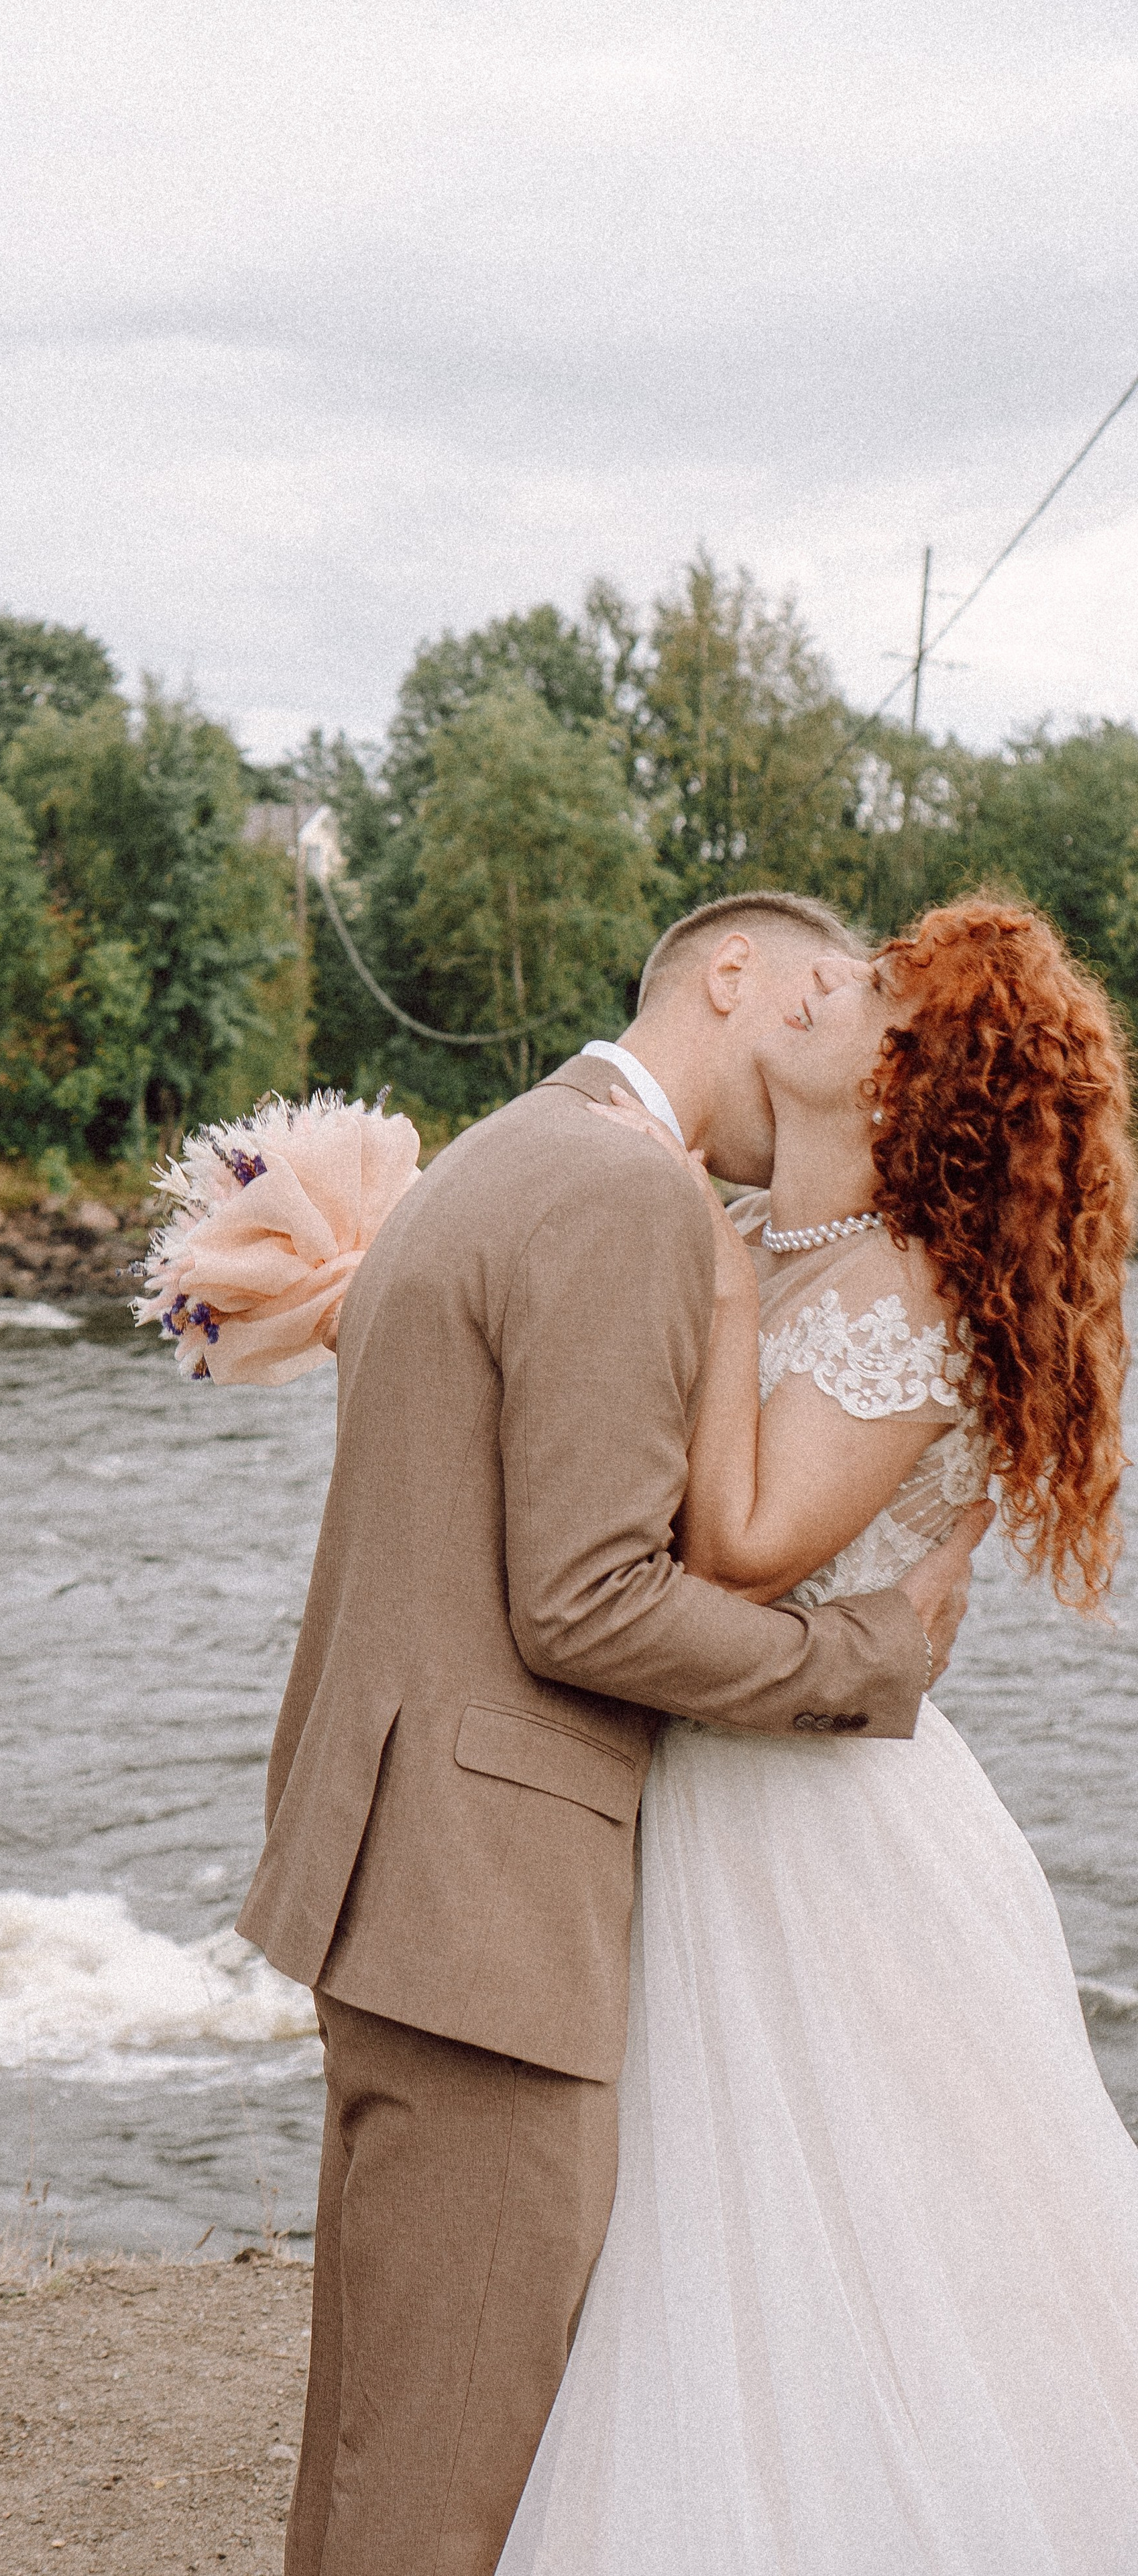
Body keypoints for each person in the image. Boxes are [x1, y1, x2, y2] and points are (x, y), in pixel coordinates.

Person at [232, 890, 992, 2576]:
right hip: (485, 1904)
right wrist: (866, 1654)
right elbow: (581, 1603)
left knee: (377, 2441)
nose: (846, 1030)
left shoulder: (506, 1152)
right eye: (829, 989)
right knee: (439, 2491)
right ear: (737, 978)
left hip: (405, 1870)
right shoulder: (625, 1196)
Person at [499, 896, 1138, 2573]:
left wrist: (708, 1287)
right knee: (703, 2226)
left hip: (822, 1833)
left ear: (911, 1074)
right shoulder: (745, 1230)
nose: (825, 983)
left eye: (870, 987)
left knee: (863, 2217)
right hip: (698, 1788)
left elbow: (744, 1545)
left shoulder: (908, 1288)